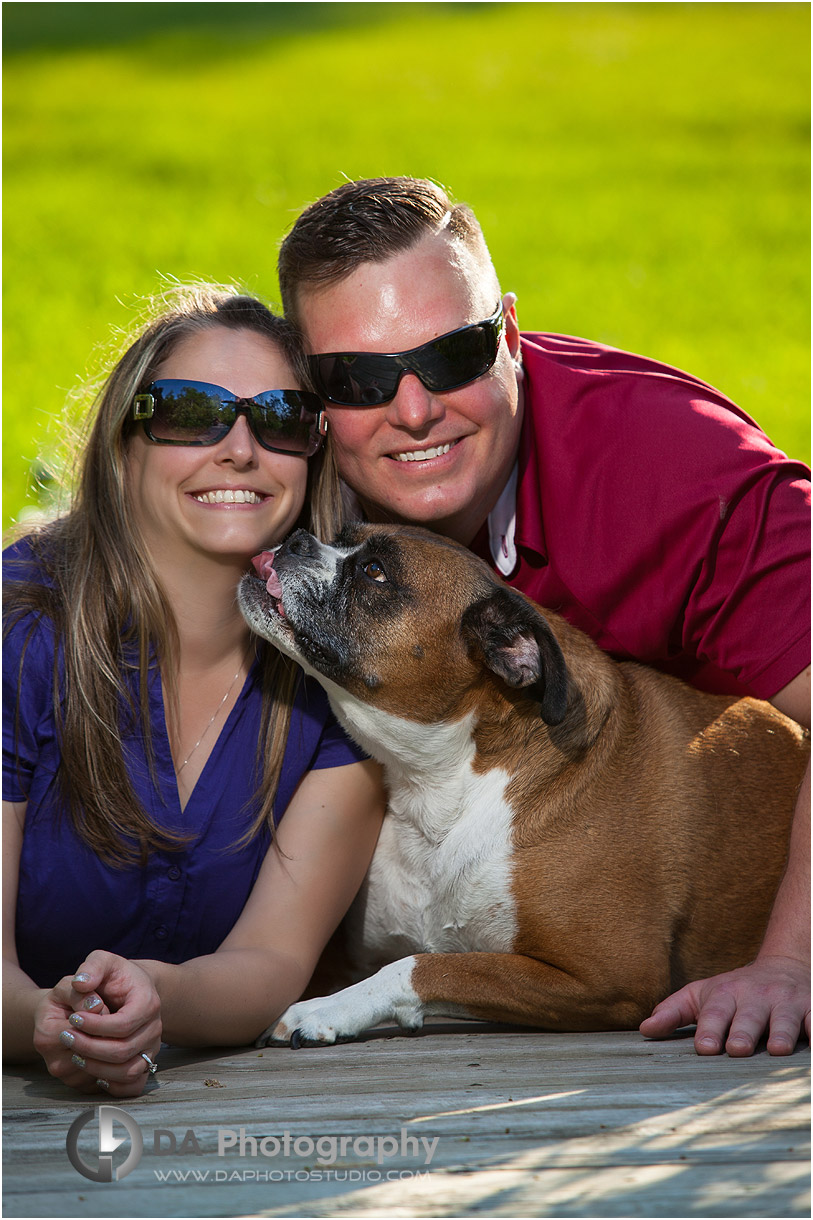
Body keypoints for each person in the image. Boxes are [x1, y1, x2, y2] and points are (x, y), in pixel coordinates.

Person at [276, 176, 811, 1058]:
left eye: (451, 355)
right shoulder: (284, 469)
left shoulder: (674, 469)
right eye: (359, 378)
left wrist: (790, 960)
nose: (413, 410)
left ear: (510, 337)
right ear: (313, 396)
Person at [2, 284, 384, 1097]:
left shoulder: (342, 671)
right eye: (188, 411)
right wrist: (48, 1019)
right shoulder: (17, 634)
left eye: (280, 418)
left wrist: (158, 997)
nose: (240, 450)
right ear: (123, 443)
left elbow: (273, 960)